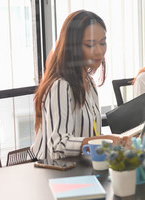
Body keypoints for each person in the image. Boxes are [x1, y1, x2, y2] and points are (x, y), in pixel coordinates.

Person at [31, 10, 129, 160]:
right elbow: (58, 146)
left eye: (103, 43)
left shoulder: (90, 84)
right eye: (90, 44)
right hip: (52, 173)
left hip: (78, 169)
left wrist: (115, 141)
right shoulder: (60, 86)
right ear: (73, 47)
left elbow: (90, 136)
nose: (99, 51)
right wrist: (104, 140)